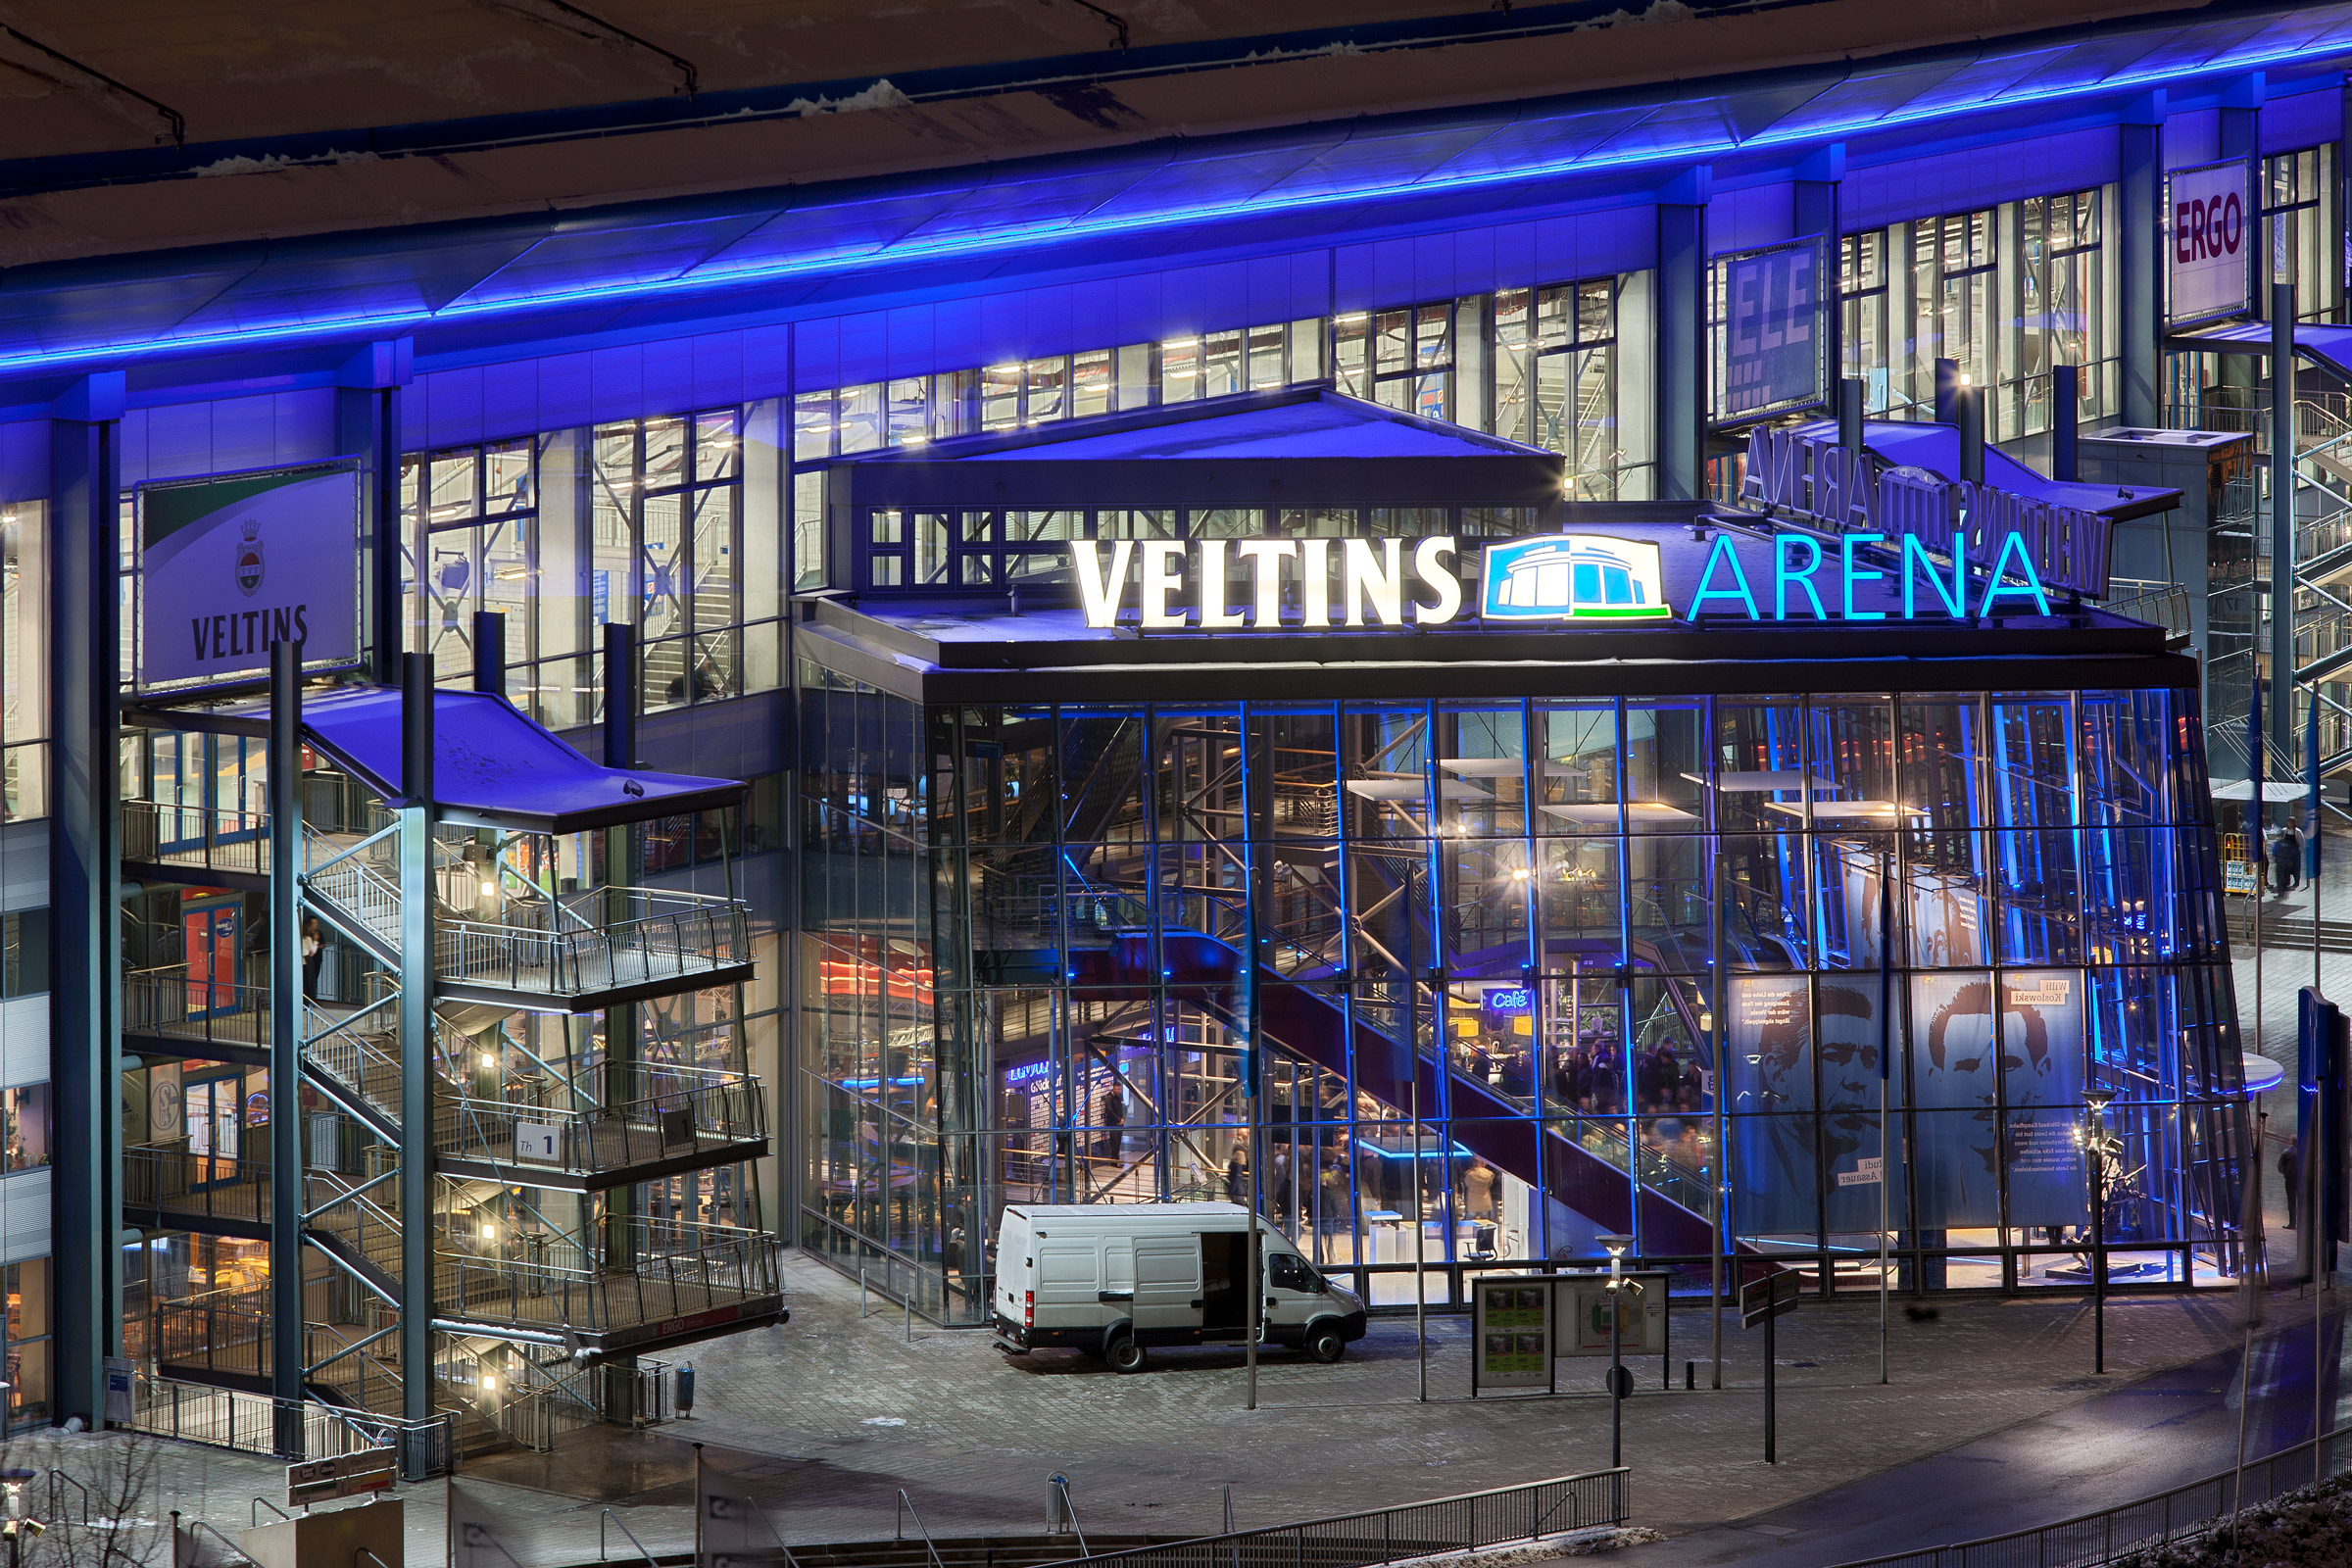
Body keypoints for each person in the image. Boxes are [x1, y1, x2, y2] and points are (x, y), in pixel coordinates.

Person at [1460, 1155, 1499, 1222]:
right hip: (1485, 1202)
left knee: (1469, 1223)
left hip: (1472, 1203)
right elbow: (1489, 1185)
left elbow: (1466, 1184)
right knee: (1485, 1222)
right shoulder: (1489, 1174)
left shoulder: (1469, 1174)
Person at [300, 915, 324, 1001]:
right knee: (310, 980)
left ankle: (305, 998)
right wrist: (316, 941)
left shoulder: (301, 937)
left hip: (303, 959)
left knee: (304, 980)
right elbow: (313, 951)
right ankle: (311, 998)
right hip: (308, 959)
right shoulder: (308, 938)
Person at [2280, 1142, 2302, 1231]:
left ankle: (2292, 1223)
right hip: (2303, 1180)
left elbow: (2280, 1166)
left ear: (2291, 1142)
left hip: (2290, 1180)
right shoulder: (2304, 1152)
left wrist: (2286, 1173)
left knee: (2291, 1201)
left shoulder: (2287, 1152)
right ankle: (2305, 1223)